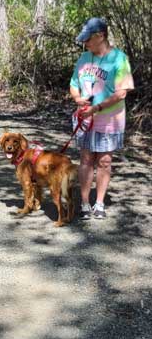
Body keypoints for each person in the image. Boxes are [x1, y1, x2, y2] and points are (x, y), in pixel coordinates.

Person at [70, 17, 134, 219]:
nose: (85, 43)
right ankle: (85, 203)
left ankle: (99, 203)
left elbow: (121, 92)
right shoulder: (83, 59)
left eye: (88, 39)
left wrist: (97, 107)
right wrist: (78, 98)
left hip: (109, 119)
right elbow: (73, 84)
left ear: (100, 36)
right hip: (86, 119)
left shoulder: (119, 59)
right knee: (86, 159)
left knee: (104, 161)